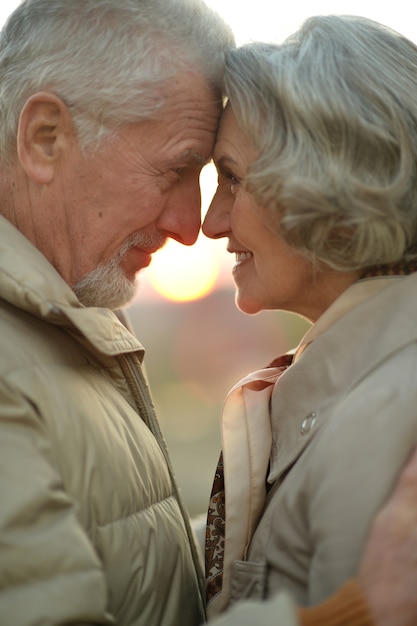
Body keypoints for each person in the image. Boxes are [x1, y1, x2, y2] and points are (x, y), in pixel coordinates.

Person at [0, 1, 234, 624]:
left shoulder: (67, 306)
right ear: (44, 138)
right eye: (177, 168)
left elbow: (119, 551)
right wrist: (345, 608)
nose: (192, 226)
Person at [201, 14, 417, 626]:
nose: (210, 223)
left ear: (341, 195)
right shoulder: (358, 388)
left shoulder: (392, 416)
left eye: (232, 178)